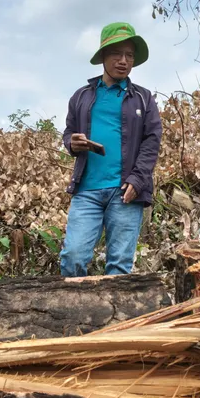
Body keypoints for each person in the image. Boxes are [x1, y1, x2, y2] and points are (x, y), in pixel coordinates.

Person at [60, 22, 162, 277]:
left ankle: (117, 319)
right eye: (116, 54)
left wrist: (138, 180)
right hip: (87, 191)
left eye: (129, 55)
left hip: (126, 192)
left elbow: (152, 140)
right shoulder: (81, 97)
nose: (123, 61)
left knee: (119, 268)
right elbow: (68, 133)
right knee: (73, 258)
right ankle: (73, 316)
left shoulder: (143, 98)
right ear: (103, 56)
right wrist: (71, 142)